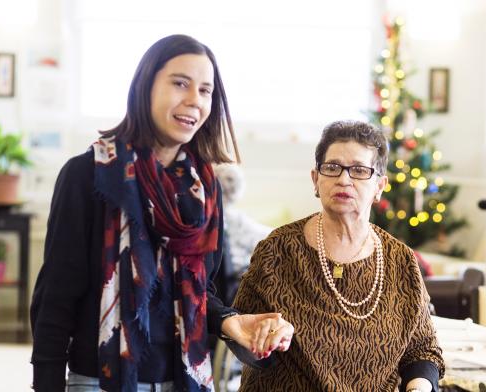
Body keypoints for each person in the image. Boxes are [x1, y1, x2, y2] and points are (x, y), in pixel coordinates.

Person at [30, 34, 294, 392]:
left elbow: (203, 293)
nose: (193, 101)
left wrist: (231, 322)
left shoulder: (205, 189)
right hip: (99, 380)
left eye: (205, 90)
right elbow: (55, 297)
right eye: (180, 83)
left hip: (184, 379)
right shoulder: (88, 175)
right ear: (145, 86)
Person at [231, 120, 444, 392]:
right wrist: (263, 341)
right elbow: (241, 335)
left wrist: (420, 387)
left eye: (358, 170)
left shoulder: (399, 260)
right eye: (332, 168)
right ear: (316, 180)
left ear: (379, 185)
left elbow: (422, 349)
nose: (344, 179)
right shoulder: (277, 250)